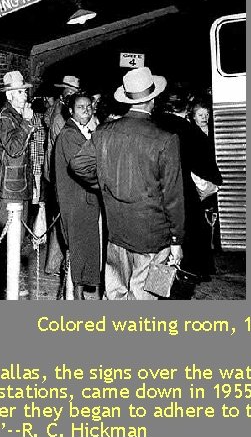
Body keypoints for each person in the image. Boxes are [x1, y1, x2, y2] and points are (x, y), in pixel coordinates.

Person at [70, 67, 184, 300]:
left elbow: (78, 164)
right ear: (152, 99)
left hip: (117, 232)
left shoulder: (103, 132)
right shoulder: (166, 140)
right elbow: (173, 197)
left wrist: (105, 182)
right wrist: (176, 241)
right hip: (154, 238)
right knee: (146, 297)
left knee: (115, 295)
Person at [53, 93, 101, 299]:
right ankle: (75, 295)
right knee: (79, 246)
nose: (87, 111)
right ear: (70, 111)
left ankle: (79, 291)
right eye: (81, 107)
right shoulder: (69, 135)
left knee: (85, 245)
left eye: (89, 106)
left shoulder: (84, 131)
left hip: (84, 199)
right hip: (76, 200)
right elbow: (85, 167)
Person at [0, 70, 35, 243]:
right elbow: (14, 149)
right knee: (9, 240)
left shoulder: (16, 115)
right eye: (20, 92)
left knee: (18, 237)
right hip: (10, 187)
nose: (25, 96)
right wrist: (27, 123)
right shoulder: (3, 118)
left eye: (25, 91)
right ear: (9, 95)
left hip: (19, 184)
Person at [178, 95, 222, 281]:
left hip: (210, 186)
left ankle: (207, 265)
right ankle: (200, 268)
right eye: (200, 114)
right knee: (199, 228)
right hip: (199, 186)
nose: (204, 117)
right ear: (192, 116)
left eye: (207, 114)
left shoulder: (215, 133)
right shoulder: (191, 135)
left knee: (209, 227)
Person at [43, 75, 81, 275]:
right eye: (72, 93)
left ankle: (53, 264)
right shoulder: (61, 115)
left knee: (57, 218)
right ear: (65, 93)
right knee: (61, 219)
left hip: (54, 172)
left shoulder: (56, 109)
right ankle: (56, 265)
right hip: (60, 173)